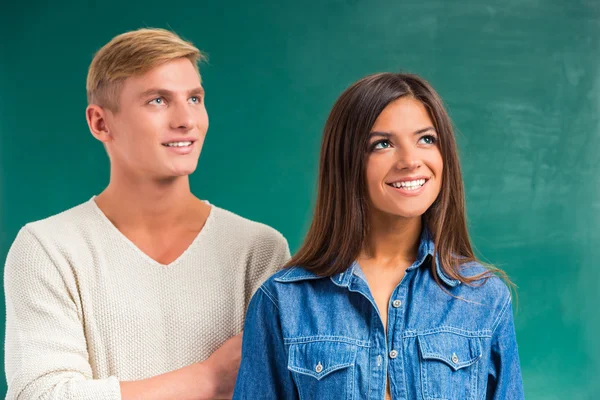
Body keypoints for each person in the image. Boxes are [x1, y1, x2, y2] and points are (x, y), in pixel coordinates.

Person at [4, 28, 290, 400]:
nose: (187, 120)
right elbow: (40, 395)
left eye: (194, 98)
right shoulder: (48, 249)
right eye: (158, 100)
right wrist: (207, 379)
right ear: (100, 123)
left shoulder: (260, 250)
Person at [233, 73, 524, 399]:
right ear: (347, 162)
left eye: (426, 139)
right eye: (382, 144)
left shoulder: (483, 297)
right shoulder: (283, 302)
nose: (411, 161)